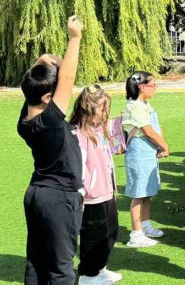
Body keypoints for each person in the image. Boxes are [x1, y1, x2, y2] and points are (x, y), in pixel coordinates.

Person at [17, 15, 84, 285]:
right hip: (58, 200)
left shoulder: (25, 121)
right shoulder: (51, 122)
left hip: (36, 195)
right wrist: (74, 38)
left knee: (36, 262)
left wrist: (44, 60)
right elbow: (67, 77)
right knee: (61, 268)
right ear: (48, 98)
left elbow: (32, 78)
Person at [71, 86, 122, 285]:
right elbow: (78, 166)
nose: (104, 113)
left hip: (106, 191)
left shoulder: (99, 129)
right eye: (102, 109)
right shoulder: (78, 134)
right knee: (93, 236)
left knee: (110, 231)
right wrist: (82, 191)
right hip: (91, 195)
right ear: (89, 109)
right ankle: (88, 275)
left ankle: (100, 268)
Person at [122, 71, 169, 248]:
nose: (155, 88)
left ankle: (145, 224)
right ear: (142, 87)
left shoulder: (145, 104)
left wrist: (159, 145)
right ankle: (136, 233)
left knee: (147, 192)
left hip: (148, 151)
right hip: (139, 152)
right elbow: (148, 131)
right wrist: (164, 145)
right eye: (152, 85)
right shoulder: (134, 106)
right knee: (138, 194)